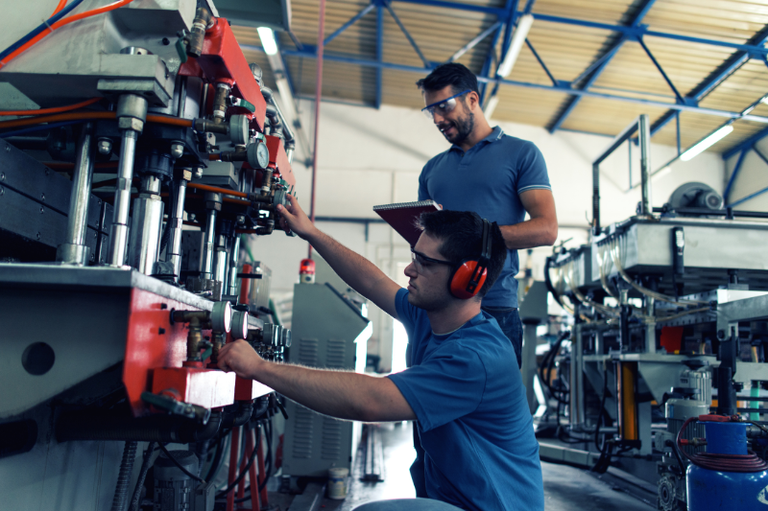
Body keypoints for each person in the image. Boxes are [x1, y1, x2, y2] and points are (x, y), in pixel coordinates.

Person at [218, 194, 544, 511]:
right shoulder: (431, 314)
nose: (409, 271)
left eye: (425, 263)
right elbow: (373, 282)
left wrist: (260, 368)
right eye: (415, 256)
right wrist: (310, 232)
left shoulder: (476, 357)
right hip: (455, 497)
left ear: (467, 281)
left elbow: (370, 401)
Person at [416, 62, 558, 368]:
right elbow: (421, 238)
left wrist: (471, 240)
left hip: (494, 309)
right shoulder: (431, 170)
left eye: (444, 106)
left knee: (492, 413)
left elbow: (546, 230)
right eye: (431, 112)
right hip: (436, 310)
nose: (438, 119)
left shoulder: (521, 154)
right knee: (432, 411)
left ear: (472, 99)